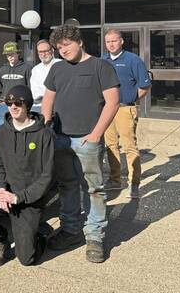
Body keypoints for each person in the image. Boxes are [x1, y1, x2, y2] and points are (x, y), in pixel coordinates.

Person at [41, 25, 119, 263]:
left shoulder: (100, 66)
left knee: (93, 189)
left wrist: (96, 134)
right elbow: (48, 99)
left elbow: (112, 102)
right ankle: (71, 231)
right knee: (67, 186)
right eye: (59, 47)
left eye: (67, 44)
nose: (63, 50)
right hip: (61, 138)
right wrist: (47, 126)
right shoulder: (57, 69)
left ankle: (95, 236)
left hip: (87, 139)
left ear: (80, 42)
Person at [0, 85, 54, 267]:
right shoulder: (2, 132)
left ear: (28, 105)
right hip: (7, 190)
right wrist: (1, 189)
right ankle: (1, 241)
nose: (13, 106)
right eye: (9, 102)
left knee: (26, 259)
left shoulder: (44, 135)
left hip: (29, 198)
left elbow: (46, 177)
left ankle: (38, 232)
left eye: (18, 102)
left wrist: (19, 197)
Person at [103, 29, 151, 198]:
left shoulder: (133, 60)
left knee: (129, 147)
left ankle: (134, 184)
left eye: (114, 41)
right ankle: (115, 180)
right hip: (107, 109)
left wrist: (131, 98)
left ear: (121, 41)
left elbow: (145, 86)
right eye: (108, 41)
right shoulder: (103, 60)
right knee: (110, 146)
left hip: (125, 109)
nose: (111, 44)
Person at [30, 40, 62, 105]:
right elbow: (35, 92)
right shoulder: (35, 69)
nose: (43, 54)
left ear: (52, 50)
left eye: (45, 51)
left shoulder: (61, 64)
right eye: (40, 52)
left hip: (58, 104)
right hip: (40, 105)